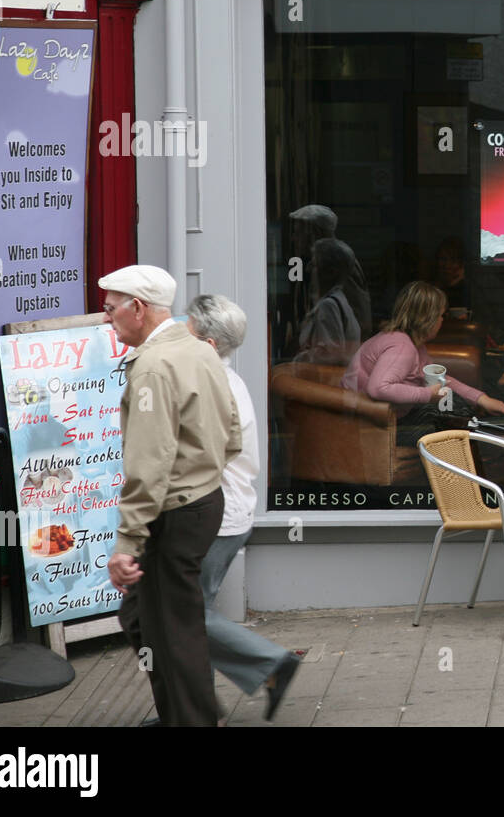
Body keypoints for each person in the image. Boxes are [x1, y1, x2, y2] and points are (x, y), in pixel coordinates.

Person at [101, 264, 241, 727]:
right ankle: (190, 709)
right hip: (200, 500)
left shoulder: (156, 365)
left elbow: (148, 464)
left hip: (176, 510)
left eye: (111, 308)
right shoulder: (197, 349)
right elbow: (232, 434)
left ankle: (191, 717)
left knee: (170, 631)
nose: (106, 318)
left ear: (137, 309)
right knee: (145, 619)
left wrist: (126, 543)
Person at [186, 294, 301, 721]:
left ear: (209, 342)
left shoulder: (213, 385)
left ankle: (270, 664)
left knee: (185, 614)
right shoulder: (224, 379)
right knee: (184, 613)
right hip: (225, 513)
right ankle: (194, 706)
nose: (183, 332)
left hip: (218, 515)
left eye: (190, 328)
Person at [341, 281, 504, 445]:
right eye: (441, 315)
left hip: (381, 418)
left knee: (452, 406)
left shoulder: (411, 344)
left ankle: (483, 438)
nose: (442, 320)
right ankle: (483, 446)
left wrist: (483, 400)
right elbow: (378, 388)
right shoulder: (402, 347)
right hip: (370, 426)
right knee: (447, 413)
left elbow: (443, 379)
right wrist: (426, 395)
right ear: (428, 319)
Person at [295, 238, 361, 365]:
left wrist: (298, 360)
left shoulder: (329, 306)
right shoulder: (340, 302)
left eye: (314, 264)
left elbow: (330, 355)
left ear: (330, 272)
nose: (308, 269)